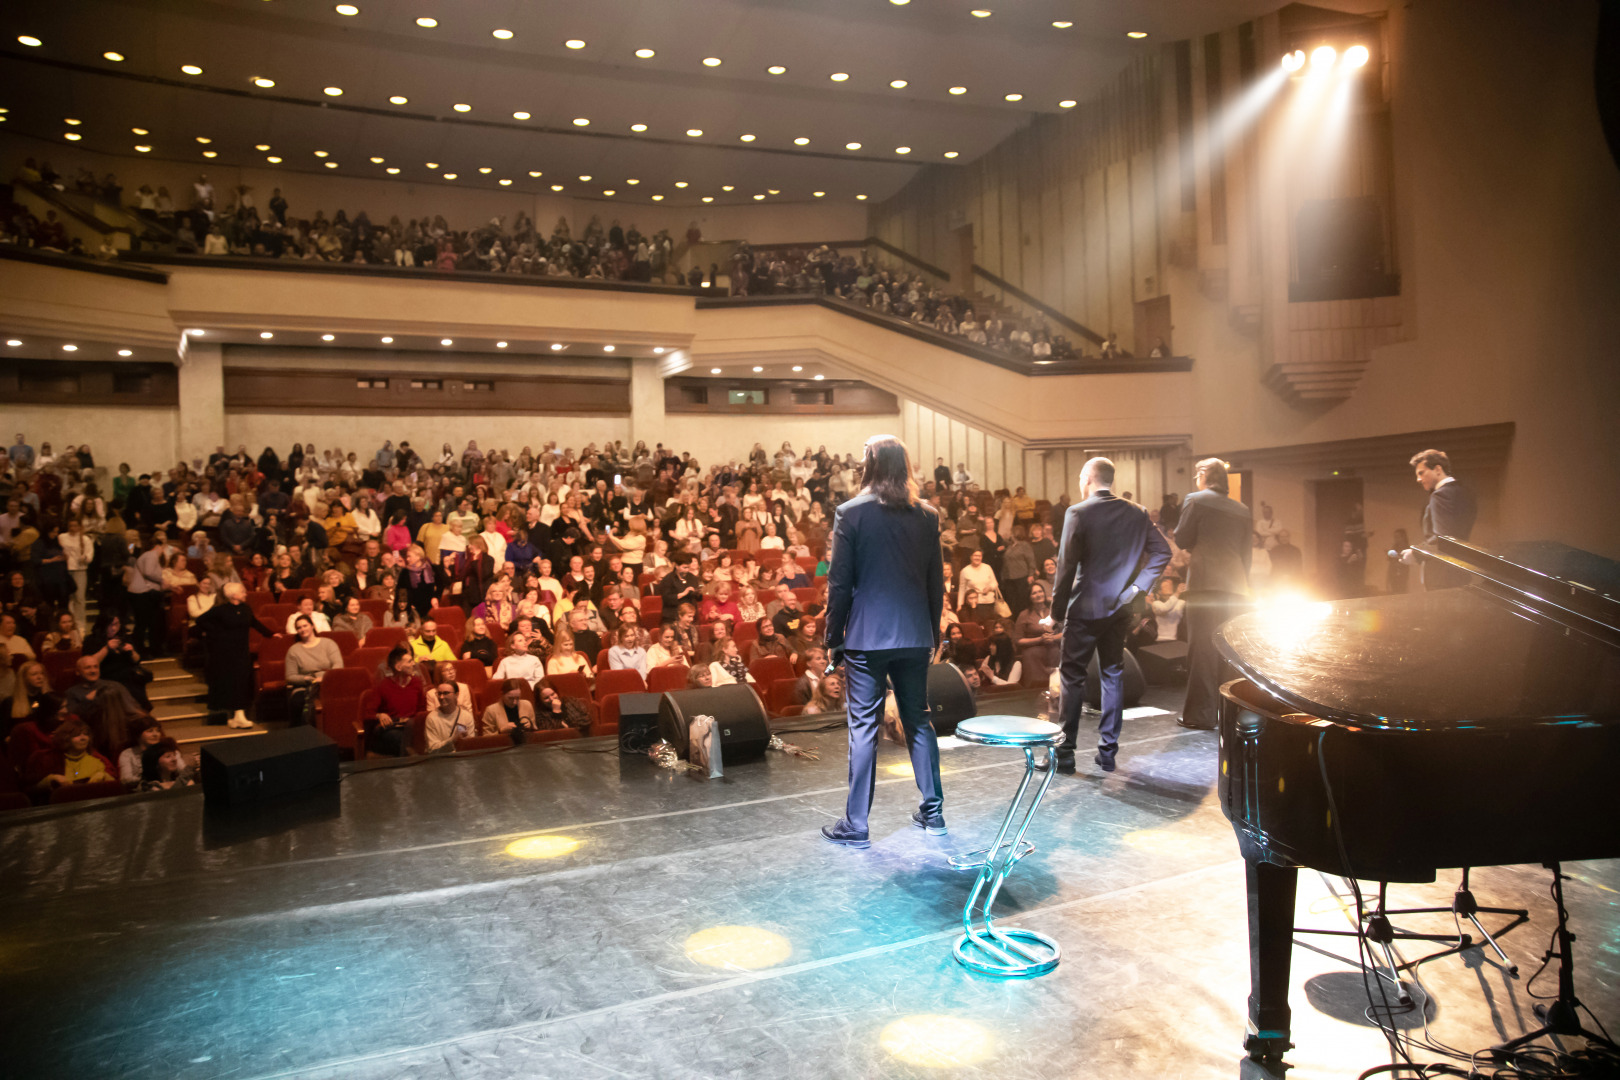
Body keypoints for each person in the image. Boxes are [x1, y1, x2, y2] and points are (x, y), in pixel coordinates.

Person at [821, 434, 946, 848]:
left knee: (863, 728)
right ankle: (933, 812)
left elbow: (839, 584)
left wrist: (832, 637)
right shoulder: (927, 516)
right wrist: (934, 631)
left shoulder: (850, 513)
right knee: (919, 720)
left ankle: (856, 824)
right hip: (913, 634)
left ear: (870, 465)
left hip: (866, 637)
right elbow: (935, 583)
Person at [1048, 457, 1171, 772]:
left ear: (1088, 477)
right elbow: (1162, 551)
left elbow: (1065, 567)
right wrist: (1137, 590)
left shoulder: (1077, 512)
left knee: (1072, 677)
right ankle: (1107, 753)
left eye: (1079, 475)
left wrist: (1055, 614)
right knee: (1112, 675)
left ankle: (1064, 755)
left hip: (1085, 608)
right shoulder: (1137, 512)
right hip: (1120, 608)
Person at [1174, 458, 1253, 731]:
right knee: (1231, 652)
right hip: (1237, 588)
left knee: (1203, 650)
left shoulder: (1195, 500)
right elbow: (1246, 555)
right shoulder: (1242, 509)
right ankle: (1232, 714)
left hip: (1205, 585)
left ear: (1203, 475)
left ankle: (1200, 715)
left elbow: (1182, 538)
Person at [194, 583, 273, 728]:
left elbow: (255, 623)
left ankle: (239, 715)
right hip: (225, 652)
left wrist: (271, 634)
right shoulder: (220, 610)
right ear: (234, 595)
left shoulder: (245, 608)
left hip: (242, 651)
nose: (246, 593)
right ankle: (237, 715)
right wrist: (216, 633)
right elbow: (200, 621)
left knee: (242, 681)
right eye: (243, 591)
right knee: (232, 682)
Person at [1399, 449, 1478, 590]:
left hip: (1442, 575)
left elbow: (1444, 539)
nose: (1418, 479)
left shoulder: (1440, 495)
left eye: (1421, 473)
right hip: (1460, 571)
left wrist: (1416, 554)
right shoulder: (1466, 493)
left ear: (1437, 469)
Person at [284, 614, 343, 726]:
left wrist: (325, 678)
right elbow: (290, 676)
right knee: (298, 702)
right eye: (299, 628)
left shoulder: (328, 643)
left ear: (312, 626)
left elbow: (338, 665)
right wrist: (308, 679)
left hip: (329, 682)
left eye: (305, 625)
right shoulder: (293, 650)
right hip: (306, 685)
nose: (302, 629)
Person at [367, 644, 424, 756]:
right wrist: (379, 715)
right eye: (409, 662)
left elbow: (422, 709)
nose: (414, 664)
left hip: (411, 726)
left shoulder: (417, 682)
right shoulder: (383, 685)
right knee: (400, 738)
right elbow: (368, 713)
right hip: (392, 728)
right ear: (398, 667)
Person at [424, 674, 474, 753]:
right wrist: (452, 740)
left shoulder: (466, 716)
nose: (441, 697)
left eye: (446, 693)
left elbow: (471, 745)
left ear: (456, 695)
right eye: (439, 693)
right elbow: (432, 749)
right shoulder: (431, 718)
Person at [482, 678, 539, 744]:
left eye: (517, 698)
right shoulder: (491, 710)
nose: (514, 702)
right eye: (510, 698)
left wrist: (531, 727)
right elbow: (486, 739)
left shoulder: (527, 705)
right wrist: (501, 731)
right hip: (502, 747)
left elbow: (535, 732)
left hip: (525, 745)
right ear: (502, 694)